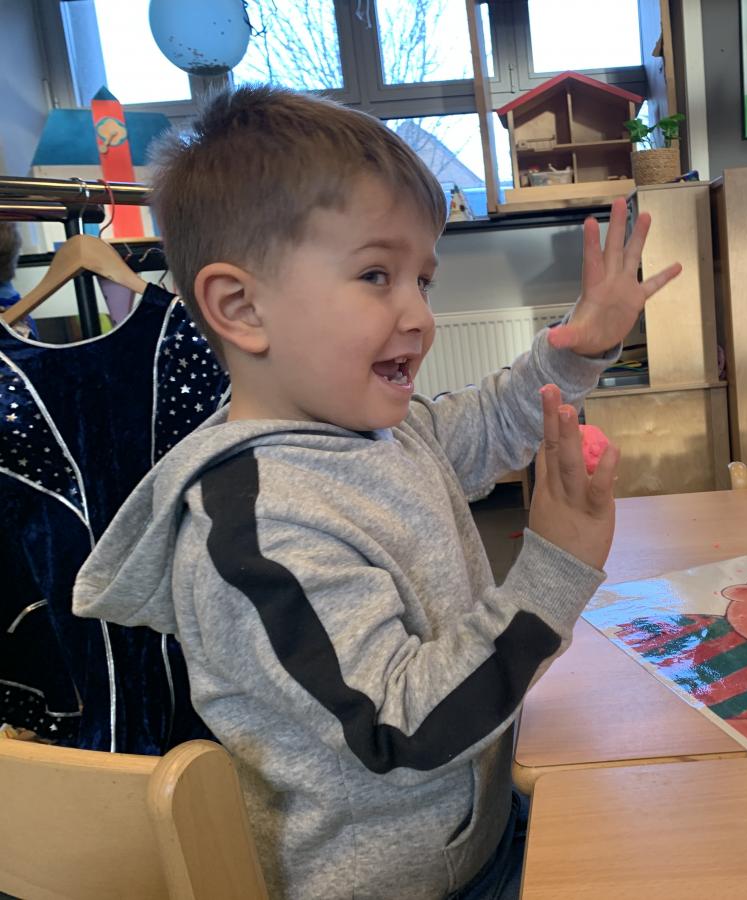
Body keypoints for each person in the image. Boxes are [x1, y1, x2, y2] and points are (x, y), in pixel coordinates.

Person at [72, 84, 680, 899]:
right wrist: (554, 570)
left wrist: (579, 351)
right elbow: (403, 728)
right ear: (240, 307)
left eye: (421, 280)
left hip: (480, 829)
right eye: (375, 274)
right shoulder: (258, 533)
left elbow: (491, 421)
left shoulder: (381, 431)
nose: (420, 316)